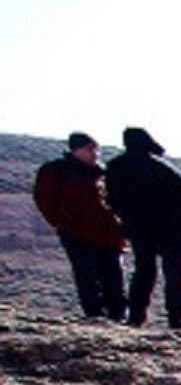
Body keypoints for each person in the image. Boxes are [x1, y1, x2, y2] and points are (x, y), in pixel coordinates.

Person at [103, 128, 181, 330]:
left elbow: (111, 200)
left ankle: (136, 318)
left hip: (140, 230)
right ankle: (176, 322)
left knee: (143, 273)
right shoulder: (160, 168)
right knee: (174, 277)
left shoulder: (115, 168)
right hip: (172, 231)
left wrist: (128, 221)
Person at [29, 133, 126, 322]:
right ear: (76, 150)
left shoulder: (101, 173)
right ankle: (95, 315)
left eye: (95, 149)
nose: (94, 154)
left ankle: (118, 317)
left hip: (108, 234)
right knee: (87, 276)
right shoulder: (57, 171)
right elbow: (44, 199)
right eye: (90, 149)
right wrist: (63, 221)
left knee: (114, 277)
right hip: (77, 233)